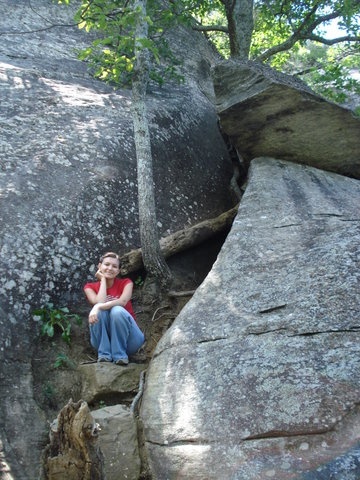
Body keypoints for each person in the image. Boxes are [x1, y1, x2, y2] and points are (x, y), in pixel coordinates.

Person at [83, 251, 145, 365]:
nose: (110, 268)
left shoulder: (126, 283)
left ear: (118, 271)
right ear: (99, 266)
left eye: (114, 266)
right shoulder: (89, 287)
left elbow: (122, 302)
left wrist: (98, 307)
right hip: (102, 342)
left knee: (117, 311)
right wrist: (102, 280)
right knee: (100, 313)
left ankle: (120, 355)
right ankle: (104, 355)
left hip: (130, 341)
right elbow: (99, 302)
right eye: (106, 264)